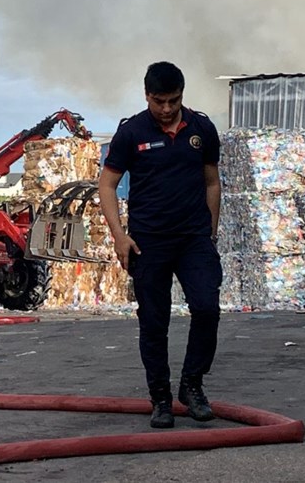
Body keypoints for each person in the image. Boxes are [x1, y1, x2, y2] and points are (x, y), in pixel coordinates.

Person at [98, 61, 223, 429]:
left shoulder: (201, 128)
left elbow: (212, 181)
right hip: (148, 243)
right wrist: (120, 235)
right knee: (154, 323)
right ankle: (160, 399)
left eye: (173, 100)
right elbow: (106, 185)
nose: (167, 109)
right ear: (146, 95)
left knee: (207, 308)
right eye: (159, 101)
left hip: (193, 240)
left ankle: (192, 384)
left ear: (182, 95)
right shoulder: (131, 132)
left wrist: (210, 231)